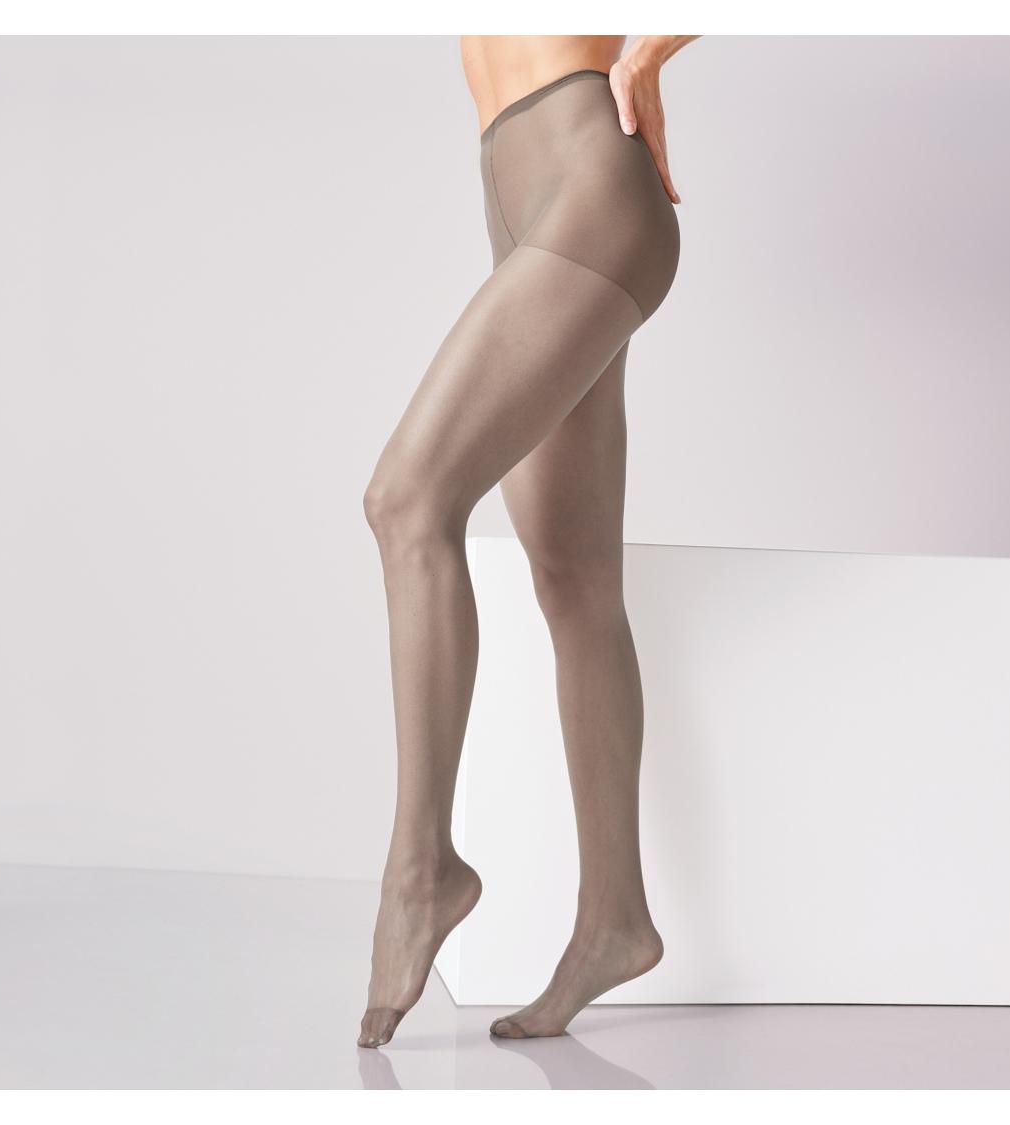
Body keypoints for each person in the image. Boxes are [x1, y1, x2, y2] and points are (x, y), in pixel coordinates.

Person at [359, 34, 699, 1050]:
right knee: (575, 579)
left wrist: (654, 50)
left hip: (592, 174)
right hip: (514, 183)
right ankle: (615, 921)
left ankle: (421, 868)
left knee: (407, 501)